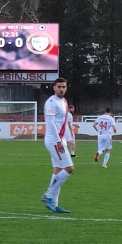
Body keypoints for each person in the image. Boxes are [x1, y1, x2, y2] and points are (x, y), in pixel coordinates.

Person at [40, 78, 73, 213]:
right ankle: (48, 195)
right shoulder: (51, 102)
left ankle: (54, 204)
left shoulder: (64, 101)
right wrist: (58, 141)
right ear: (54, 88)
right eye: (59, 87)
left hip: (60, 139)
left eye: (63, 87)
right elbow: (51, 123)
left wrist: (70, 139)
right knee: (69, 168)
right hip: (54, 140)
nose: (61, 89)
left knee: (58, 170)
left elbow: (63, 123)